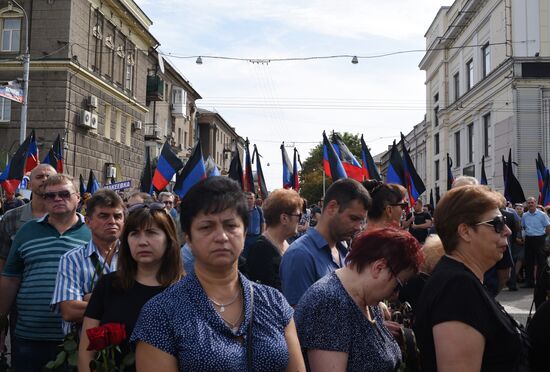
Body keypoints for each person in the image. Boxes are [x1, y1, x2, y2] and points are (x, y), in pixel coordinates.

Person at [130, 177, 305, 371]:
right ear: (188, 237)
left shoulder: (274, 303)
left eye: (231, 226)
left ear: (245, 231)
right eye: (206, 227)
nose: (221, 237)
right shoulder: (161, 314)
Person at [413, 185, 530, 372]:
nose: (507, 230)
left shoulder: (460, 280)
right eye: (497, 223)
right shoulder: (457, 288)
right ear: (465, 232)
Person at [294, 228, 423, 371]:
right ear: (379, 268)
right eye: (397, 285)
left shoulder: (367, 301)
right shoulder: (328, 304)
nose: (395, 294)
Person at [0, 174, 91, 371]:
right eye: (50, 196)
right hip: (29, 337)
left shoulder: (92, 232)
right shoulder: (27, 231)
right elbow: (11, 279)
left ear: (78, 197)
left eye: (64, 194)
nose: (57, 199)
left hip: (78, 338)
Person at [78, 201, 183, 371]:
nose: (142, 242)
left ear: (168, 239)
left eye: (151, 233)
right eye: (134, 234)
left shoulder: (186, 291)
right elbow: (85, 353)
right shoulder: (108, 285)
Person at [280, 178, 370, 306]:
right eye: (353, 218)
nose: (358, 227)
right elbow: (301, 321)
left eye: (361, 221)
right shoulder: (300, 255)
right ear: (332, 208)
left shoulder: (344, 253)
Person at [51, 189, 125, 335]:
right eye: (104, 216)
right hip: (83, 348)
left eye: (118, 216)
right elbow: (70, 310)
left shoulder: (134, 258)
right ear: (88, 221)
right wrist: (123, 302)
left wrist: (92, 298)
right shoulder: (72, 259)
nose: (112, 222)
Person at [0, 164, 57, 272]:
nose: (45, 179)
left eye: (49, 177)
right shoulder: (11, 218)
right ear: (29, 185)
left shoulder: (68, 218)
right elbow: (2, 261)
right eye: (39, 177)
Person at [246, 188, 303, 290]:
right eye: (299, 215)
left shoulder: (287, 242)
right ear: (284, 218)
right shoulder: (260, 251)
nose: (300, 220)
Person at [522, 196, 550, 288]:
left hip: (540, 239)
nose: (530, 204)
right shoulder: (524, 215)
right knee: (528, 261)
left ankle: (542, 282)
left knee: (541, 261)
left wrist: (545, 238)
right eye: (529, 203)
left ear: (535, 203)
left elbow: (548, 227)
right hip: (529, 239)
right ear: (527, 204)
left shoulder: (542, 215)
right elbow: (523, 227)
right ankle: (529, 282)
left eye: (532, 202)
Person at [243, 192, 265, 258]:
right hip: (246, 238)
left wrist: (262, 235)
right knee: (245, 258)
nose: (249, 200)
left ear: (254, 199)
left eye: (251, 198)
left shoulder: (259, 210)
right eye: (248, 198)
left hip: (256, 238)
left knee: (256, 257)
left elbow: (263, 223)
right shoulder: (242, 210)